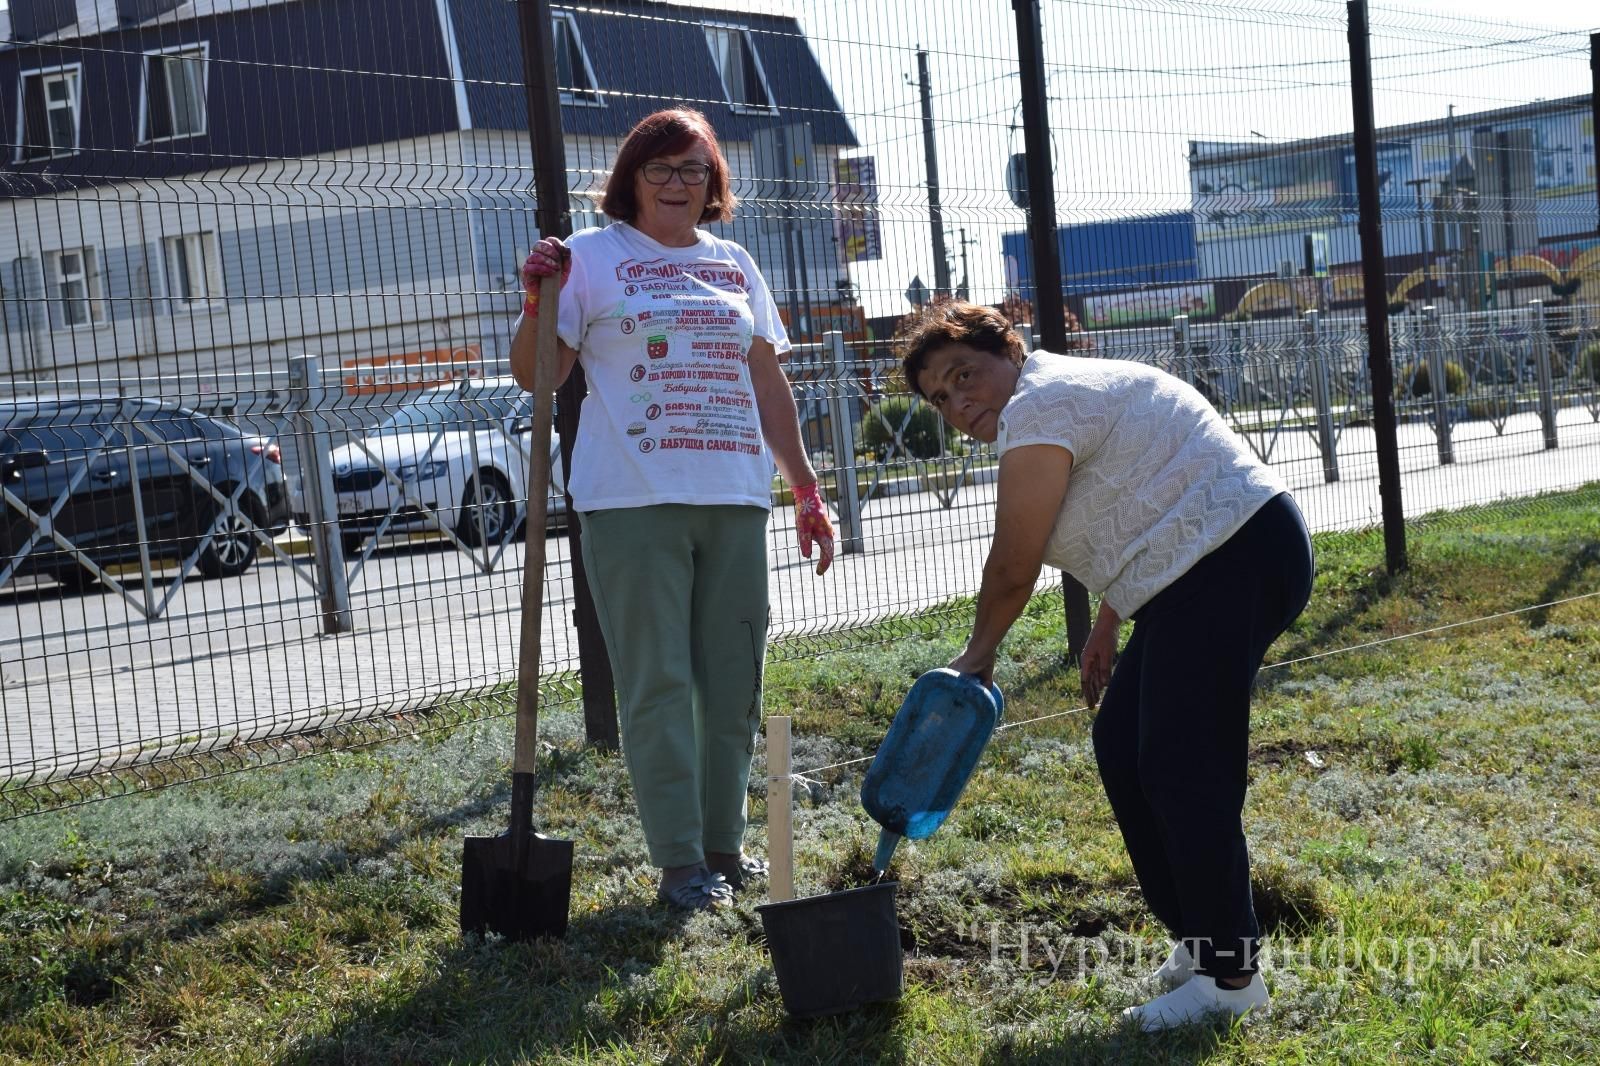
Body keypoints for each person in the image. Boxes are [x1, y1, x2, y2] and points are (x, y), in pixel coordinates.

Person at [897, 300, 1313, 1030]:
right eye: (939, 397)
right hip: (1195, 570)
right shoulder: (1049, 395)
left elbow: (1015, 560)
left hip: (1233, 555)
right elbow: (1139, 489)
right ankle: (1201, 940)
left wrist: (978, 655)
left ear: (1008, 350)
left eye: (965, 375)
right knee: (1122, 747)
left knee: (1183, 766)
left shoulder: (1041, 401)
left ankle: (1230, 981)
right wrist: (1108, 620)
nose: (958, 403)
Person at [510, 109, 835, 911]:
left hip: (732, 496)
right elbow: (538, 375)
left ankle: (725, 847)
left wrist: (804, 487)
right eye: (659, 169)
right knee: (658, 682)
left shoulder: (734, 264)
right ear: (630, 181)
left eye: (693, 169)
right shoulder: (588, 258)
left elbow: (768, 384)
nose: (677, 184)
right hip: (631, 502)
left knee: (733, 684)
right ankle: (681, 863)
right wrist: (534, 301)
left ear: (713, 183)